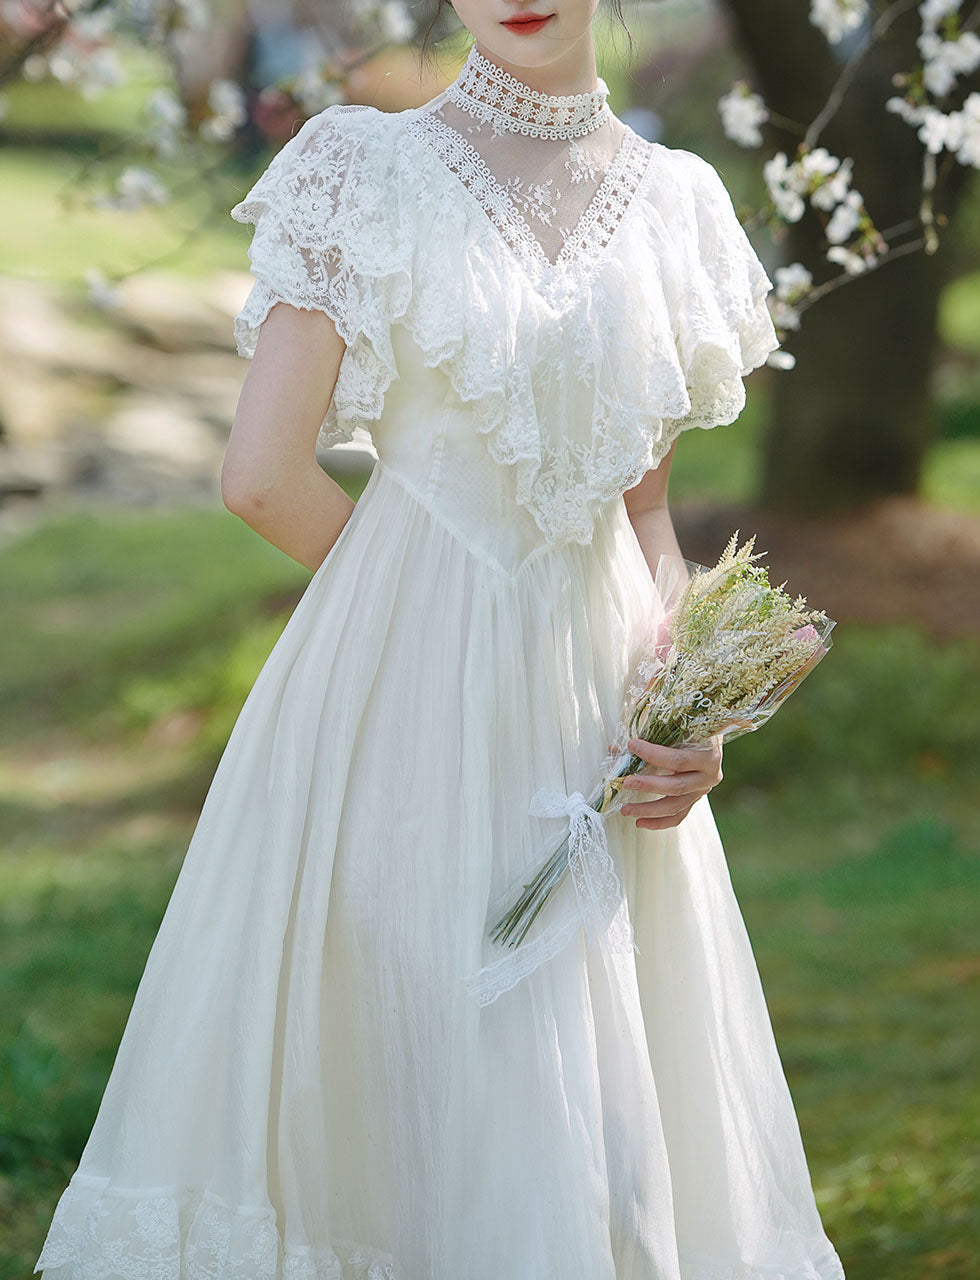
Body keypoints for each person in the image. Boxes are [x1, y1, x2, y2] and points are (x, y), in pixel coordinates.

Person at [33, 3, 847, 1278]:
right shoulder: (360, 167)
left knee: (585, 1113)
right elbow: (260, 476)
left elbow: (644, 509)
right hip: (401, 709)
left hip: (596, 724)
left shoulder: (678, 202)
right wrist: (436, 600)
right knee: (409, 1098)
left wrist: (693, 714)